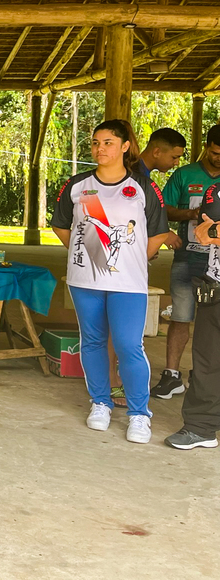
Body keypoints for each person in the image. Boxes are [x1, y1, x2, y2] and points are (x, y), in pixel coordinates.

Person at [51, 119, 169, 444]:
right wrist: (86, 252)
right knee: (91, 341)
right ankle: (100, 402)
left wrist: (131, 260)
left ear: (125, 146)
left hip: (128, 283)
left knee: (130, 345)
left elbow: (158, 233)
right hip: (84, 281)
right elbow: (62, 226)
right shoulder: (77, 185)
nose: (100, 149)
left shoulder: (143, 186)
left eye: (108, 143)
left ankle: (139, 414)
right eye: (96, 143)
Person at [108, 127, 184, 405]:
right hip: (123, 262)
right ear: (156, 151)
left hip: (131, 258)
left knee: (122, 328)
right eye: (174, 157)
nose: (176, 163)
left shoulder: (145, 176)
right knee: (118, 328)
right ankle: (112, 382)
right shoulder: (135, 176)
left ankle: (114, 379)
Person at [152, 125, 220, 400]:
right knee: (181, 316)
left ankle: (205, 378)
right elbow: (163, 207)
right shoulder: (184, 174)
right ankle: (171, 375)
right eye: (216, 152)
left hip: (217, 266)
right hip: (187, 258)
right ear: (207, 146)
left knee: (212, 323)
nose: (219, 158)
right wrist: (191, 213)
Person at [166, 183, 220, 450]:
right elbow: (206, 228)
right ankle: (200, 428)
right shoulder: (217, 190)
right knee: (206, 362)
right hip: (216, 289)